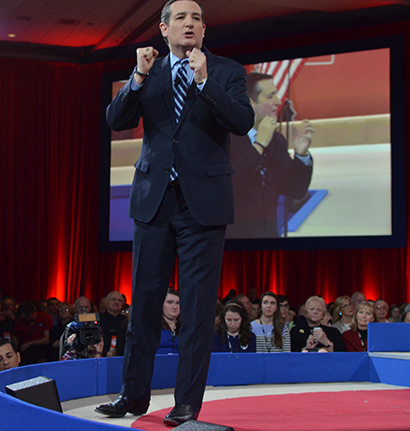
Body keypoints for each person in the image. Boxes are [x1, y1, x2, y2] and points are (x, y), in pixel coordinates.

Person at [95, 0, 254, 426]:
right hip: (154, 202)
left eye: (197, 18)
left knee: (199, 311)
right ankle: (133, 396)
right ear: (163, 29)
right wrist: (138, 74)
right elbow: (116, 118)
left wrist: (204, 82)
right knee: (145, 304)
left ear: (204, 30)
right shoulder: (150, 71)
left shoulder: (226, 71)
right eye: (181, 17)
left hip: (204, 206)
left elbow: (241, 121)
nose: (190, 23)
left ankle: (186, 404)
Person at [227, 72, 314, 239]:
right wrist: (258, 147)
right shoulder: (225, 139)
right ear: (249, 102)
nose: (278, 102)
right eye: (270, 96)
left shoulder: (276, 140)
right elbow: (229, 188)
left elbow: (295, 190)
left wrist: (301, 155)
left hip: (269, 240)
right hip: (234, 245)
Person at [98, 291, 127, 357]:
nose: (116, 302)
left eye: (119, 300)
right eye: (113, 299)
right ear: (107, 302)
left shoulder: (127, 321)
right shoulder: (99, 320)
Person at [157, 288, 181, 354]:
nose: (174, 307)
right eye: (170, 302)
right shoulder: (152, 327)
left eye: (178, 303)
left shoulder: (187, 327)